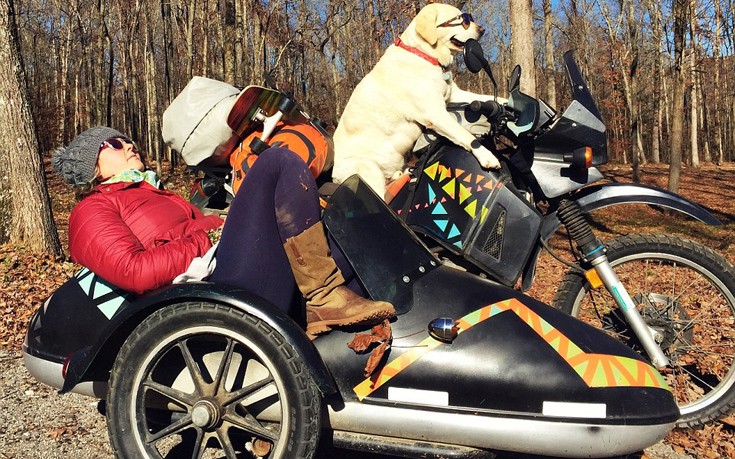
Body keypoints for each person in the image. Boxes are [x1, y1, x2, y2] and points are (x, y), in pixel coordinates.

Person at [52, 126, 395, 338]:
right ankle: (323, 298)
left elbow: (195, 231)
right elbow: (134, 272)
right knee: (276, 161)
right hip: (208, 294)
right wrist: (209, 238)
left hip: (223, 270)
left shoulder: (159, 194)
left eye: (127, 138)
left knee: (341, 235)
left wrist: (218, 227)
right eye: (114, 143)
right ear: (92, 168)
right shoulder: (91, 210)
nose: (128, 144)